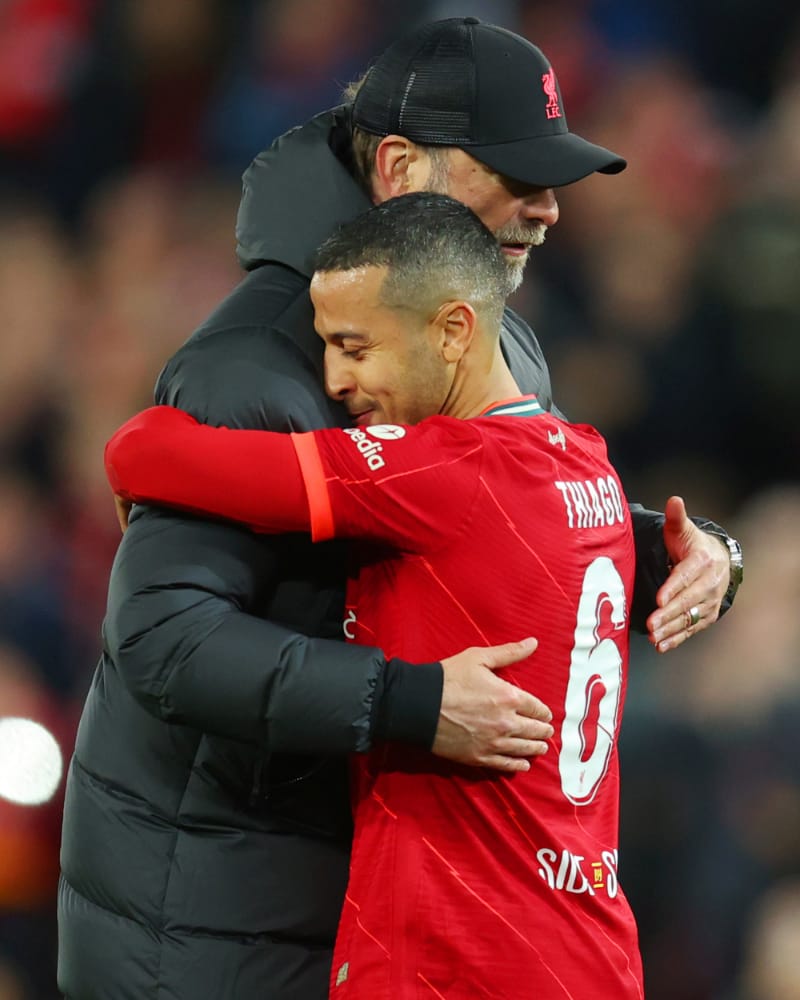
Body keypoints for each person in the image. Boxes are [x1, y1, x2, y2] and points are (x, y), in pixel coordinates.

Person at [57, 16, 742, 1000]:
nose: (547, 208)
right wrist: (409, 701)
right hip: (211, 926)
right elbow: (163, 640)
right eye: (514, 172)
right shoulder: (252, 363)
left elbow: (505, 521)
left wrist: (687, 555)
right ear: (399, 168)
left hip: (381, 910)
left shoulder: (487, 335)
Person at [105, 191, 644, 999]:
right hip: (588, 946)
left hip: (458, 955)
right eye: (325, 346)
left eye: (354, 347)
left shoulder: (441, 472)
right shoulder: (590, 466)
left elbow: (142, 449)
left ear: (452, 331)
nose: (334, 379)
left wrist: (146, 479)